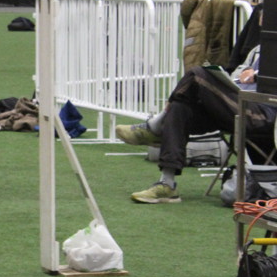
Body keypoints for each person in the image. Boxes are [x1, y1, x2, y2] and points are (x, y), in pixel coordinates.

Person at [116, 43, 272, 204]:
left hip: (265, 113)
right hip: (238, 105)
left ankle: (155, 126)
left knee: (197, 74)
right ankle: (167, 184)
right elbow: (237, 76)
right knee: (179, 108)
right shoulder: (260, 48)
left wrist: (257, 76)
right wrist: (244, 73)